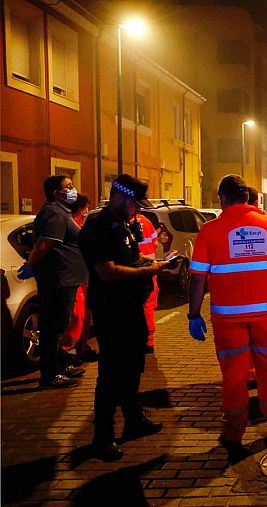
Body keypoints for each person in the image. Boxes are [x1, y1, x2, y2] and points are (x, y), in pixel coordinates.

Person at [188, 175, 267, 459]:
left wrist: (193, 313)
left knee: (234, 375)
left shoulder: (210, 231)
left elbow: (197, 278)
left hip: (227, 318)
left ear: (222, 198)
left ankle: (234, 432)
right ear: (248, 198)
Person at [79, 174, 173, 461]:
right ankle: (103, 436)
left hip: (132, 308)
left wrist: (154, 262)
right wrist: (150, 271)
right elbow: (107, 271)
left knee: (133, 367)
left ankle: (134, 419)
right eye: (135, 204)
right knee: (111, 373)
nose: (139, 210)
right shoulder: (98, 227)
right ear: (120, 197)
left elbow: (131, 258)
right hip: (113, 310)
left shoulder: (125, 224)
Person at [19, 175, 87, 388]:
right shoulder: (54, 213)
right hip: (59, 278)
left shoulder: (60, 211)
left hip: (65, 277)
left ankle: (60, 364)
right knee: (54, 326)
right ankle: (49, 375)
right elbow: (44, 244)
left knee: (59, 323)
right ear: (56, 193)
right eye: (68, 187)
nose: (73, 189)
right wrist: (31, 264)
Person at [62, 193, 98, 362]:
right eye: (86, 207)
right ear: (82, 209)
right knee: (76, 316)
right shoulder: (73, 227)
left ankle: (81, 347)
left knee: (84, 315)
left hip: (84, 277)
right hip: (77, 278)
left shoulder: (78, 226)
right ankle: (69, 351)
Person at [133, 213, 159, 354]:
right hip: (149, 270)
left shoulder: (121, 223)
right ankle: (149, 341)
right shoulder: (146, 221)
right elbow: (155, 243)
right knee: (148, 306)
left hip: (131, 271)